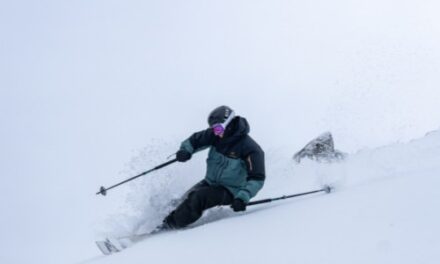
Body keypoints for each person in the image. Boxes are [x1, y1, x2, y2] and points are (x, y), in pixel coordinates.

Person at [161, 105, 266, 229]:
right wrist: (185, 151)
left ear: (229, 123)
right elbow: (194, 141)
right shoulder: (216, 135)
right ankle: (160, 220)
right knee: (183, 200)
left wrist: (243, 197)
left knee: (198, 198)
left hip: (232, 190)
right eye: (214, 129)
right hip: (211, 182)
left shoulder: (250, 149)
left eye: (218, 128)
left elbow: (257, 178)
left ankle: (169, 226)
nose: (216, 132)